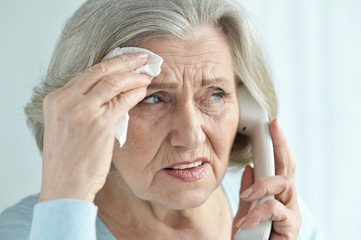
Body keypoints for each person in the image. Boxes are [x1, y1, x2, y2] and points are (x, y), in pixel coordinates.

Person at [0, 0, 322, 239]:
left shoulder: (273, 214)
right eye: (153, 98)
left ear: (246, 107)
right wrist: (65, 205)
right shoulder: (27, 230)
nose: (191, 135)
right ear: (89, 116)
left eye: (215, 94)